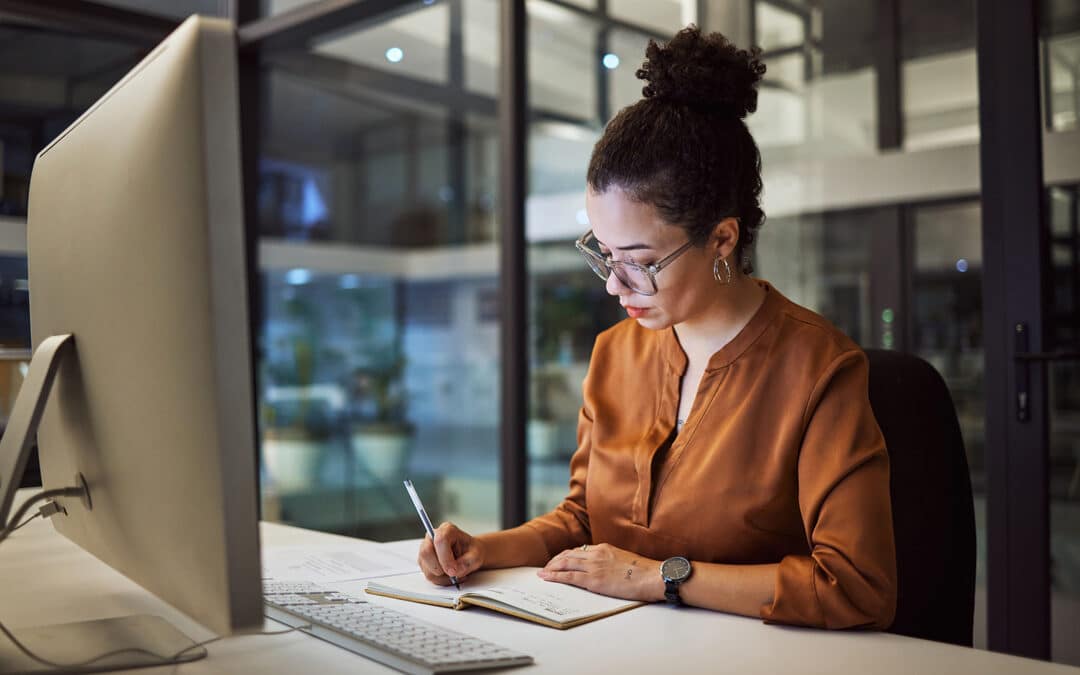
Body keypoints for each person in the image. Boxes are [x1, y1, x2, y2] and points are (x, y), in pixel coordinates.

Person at [418, 25, 897, 630]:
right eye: (604, 255)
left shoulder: (818, 369)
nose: (616, 286)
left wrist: (658, 576)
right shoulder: (615, 353)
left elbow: (856, 586)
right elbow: (584, 523)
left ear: (722, 238)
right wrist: (488, 549)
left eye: (640, 263)